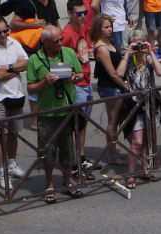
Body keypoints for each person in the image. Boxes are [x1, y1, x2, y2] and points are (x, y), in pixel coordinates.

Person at [26, 26, 83, 204]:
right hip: (47, 113)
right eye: (56, 41)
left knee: (67, 150)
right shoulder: (35, 59)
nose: (60, 43)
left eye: (61, 39)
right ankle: (49, 185)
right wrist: (45, 82)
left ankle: (67, 183)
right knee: (47, 152)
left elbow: (81, 75)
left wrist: (73, 77)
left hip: (67, 110)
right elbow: (30, 88)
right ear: (45, 42)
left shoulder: (68, 53)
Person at [0, 16, 30, 190]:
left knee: (14, 133)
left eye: (5, 31)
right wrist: (16, 68)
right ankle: (3, 173)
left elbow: (26, 63)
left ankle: (12, 165)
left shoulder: (14, 43)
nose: (3, 35)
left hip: (16, 95)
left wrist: (8, 68)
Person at [117, 30, 161, 186]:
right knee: (137, 142)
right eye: (135, 44)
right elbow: (119, 73)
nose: (138, 48)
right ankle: (131, 174)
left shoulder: (148, 58)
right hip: (134, 105)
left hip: (151, 104)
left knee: (148, 141)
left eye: (140, 44)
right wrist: (128, 53)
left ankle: (145, 169)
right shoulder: (128, 59)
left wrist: (150, 51)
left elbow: (160, 72)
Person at [60, 0, 97, 178]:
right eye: (79, 13)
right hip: (77, 86)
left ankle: (81, 158)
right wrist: (73, 77)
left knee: (82, 124)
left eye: (85, 13)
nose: (83, 16)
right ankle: (74, 165)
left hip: (87, 82)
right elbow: (58, 62)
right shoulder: (66, 34)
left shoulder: (81, 28)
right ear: (70, 14)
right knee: (75, 126)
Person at [91, 15, 127, 165]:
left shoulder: (108, 43)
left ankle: (114, 152)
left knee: (117, 120)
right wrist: (125, 86)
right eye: (106, 27)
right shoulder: (101, 47)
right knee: (113, 121)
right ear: (98, 29)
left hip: (114, 86)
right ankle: (112, 155)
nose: (110, 29)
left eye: (110, 26)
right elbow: (112, 73)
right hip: (110, 87)